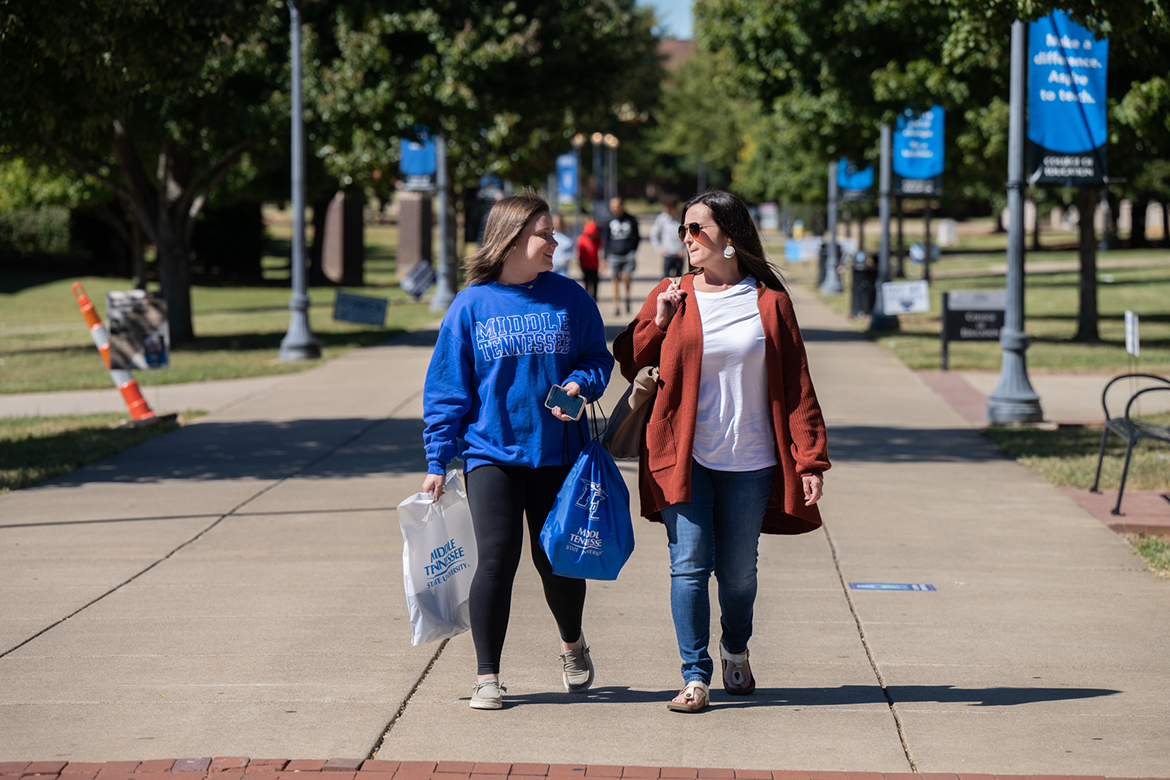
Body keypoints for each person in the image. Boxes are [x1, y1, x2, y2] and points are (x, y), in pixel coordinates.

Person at [613, 188, 830, 714]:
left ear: (728, 237)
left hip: (751, 459)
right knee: (687, 564)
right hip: (682, 453)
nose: (687, 238)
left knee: (738, 573)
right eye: (685, 229)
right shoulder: (674, 294)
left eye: (697, 229)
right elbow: (629, 359)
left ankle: (735, 649)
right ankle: (695, 675)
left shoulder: (770, 304)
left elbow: (796, 383)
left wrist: (809, 459)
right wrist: (659, 320)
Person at [422, 194, 614, 711]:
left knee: (557, 562)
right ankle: (488, 677)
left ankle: (572, 644)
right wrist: (438, 459)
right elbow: (446, 388)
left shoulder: (570, 298)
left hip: (558, 457)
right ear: (510, 240)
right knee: (497, 560)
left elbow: (599, 358)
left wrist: (579, 383)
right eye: (544, 235)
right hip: (491, 455)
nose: (555, 243)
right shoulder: (471, 305)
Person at [605, 196, 640, 316]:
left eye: (617, 206)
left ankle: (627, 298)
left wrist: (633, 250)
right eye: (612, 206)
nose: (615, 208)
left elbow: (637, 236)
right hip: (614, 254)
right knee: (614, 279)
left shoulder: (631, 219)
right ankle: (617, 305)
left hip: (627, 253)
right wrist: (605, 256)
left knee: (626, 278)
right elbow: (606, 239)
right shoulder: (609, 220)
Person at [650, 193, 686, 278]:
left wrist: (685, 249)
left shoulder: (682, 218)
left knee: (679, 277)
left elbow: (687, 234)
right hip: (668, 253)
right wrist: (658, 247)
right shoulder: (662, 218)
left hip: (679, 254)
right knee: (665, 278)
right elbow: (654, 233)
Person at [576, 219, 601, 300]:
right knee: (587, 283)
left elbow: (600, 251)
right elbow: (579, 253)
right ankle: (587, 298)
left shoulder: (597, 240)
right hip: (585, 266)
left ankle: (595, 298)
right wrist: (579, 264)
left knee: (595, 283)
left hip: (594, 266)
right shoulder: (582, 239)